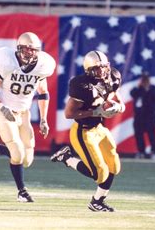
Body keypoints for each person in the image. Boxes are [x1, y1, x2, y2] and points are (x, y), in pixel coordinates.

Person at [0, 32, 56, 202]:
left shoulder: (43, 66)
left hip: (24, 114)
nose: (29, 53)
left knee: (27, 160)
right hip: (3, 112)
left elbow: (43, 92)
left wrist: (43, 119)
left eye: (33, 50)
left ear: (38, 51)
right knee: (17, 154)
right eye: (25, 49)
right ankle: (22, 191)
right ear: (18, 49)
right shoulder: (6, 61)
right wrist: (1, 106)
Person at [50, 51, 125, 212]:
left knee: (114, 166)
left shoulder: (113, 76)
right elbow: (69, 113)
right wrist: (96, 112)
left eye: (104, 67)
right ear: (88, 71)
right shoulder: (82, 85)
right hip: (83, 132)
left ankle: (97, 201)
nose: (102, 72)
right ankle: (67, 158)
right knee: (100, 173)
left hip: (99, 129)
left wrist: (119, 106)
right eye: (97, 69)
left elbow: (115, 95)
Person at [130, 73, 155, 160]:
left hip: (150, 116)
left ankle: (154, 151)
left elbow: (154, 97)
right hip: (139, 116)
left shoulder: (153, 88)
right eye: (143, 79)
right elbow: (132, 93)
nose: (145, 81)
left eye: (146, 79)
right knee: (139, 134)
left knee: (151, 134)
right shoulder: (138, 89)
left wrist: (147, 89)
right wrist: (139, 86)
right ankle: (141, 151)